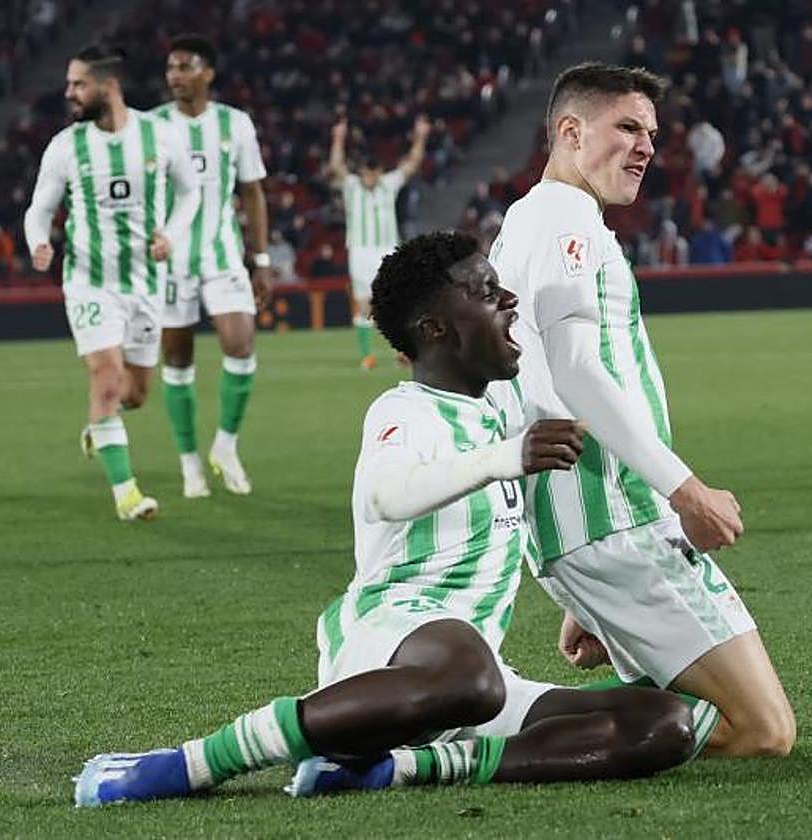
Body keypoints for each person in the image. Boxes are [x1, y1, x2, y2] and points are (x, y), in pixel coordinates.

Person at [73, 232, 715, 807]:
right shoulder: (405, 411)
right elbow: (387, 493)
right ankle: (188, 764)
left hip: (475, 680)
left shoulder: (502, 407)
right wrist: (503, 459)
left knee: (668, 721)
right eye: (485, 292)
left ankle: (396, 770)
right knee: (471, 678)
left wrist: (587, 601)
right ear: (436, 329)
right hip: (388, 644)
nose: (508, 300)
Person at [489, 62, 795, 758]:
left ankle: (498, 717)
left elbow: (537, 375)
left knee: (716, 717)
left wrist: (586, 588)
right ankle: (484, 731)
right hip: (615, 515)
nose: (646, 147)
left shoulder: (533, 218)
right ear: (571, 132)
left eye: (651, 133)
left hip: (594, 522)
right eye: (627, 127)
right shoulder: (562, 216)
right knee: (762, 731)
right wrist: (684, 491)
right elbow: (574, 369)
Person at [23, 44, 199, 521]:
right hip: (89, 282)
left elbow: (190, 193)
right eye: (69, 83)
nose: (70, 92)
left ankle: (99, 426)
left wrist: (172, 234)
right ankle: (127, 495)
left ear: (109, 85)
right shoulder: (66, 146)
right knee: (104, 378)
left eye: (79, 83)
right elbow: (39, 209)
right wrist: (38, 241)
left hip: (145, 284)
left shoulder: (160, 136)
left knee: (134, 393)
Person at [153, 33, 271, 498]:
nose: (175, 75)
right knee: (177, 358)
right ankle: (189, 464)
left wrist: (261, 259)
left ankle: (225, 446)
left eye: (185, 66)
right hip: (170, 259)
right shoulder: (153, 125)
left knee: (240, 345)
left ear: (208, 73)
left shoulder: (235, 124)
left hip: (222, 253)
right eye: (171, 67)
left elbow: (252, 191)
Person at [328, 112, 430, 369]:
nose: (370, 178)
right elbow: (336, 166)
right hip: (360, 250)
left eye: (373, 174)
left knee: (396, 301)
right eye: (366, 174)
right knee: (364, 304)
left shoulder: (388, 184)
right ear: (362, 173)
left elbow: (412, 163)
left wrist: (420, 136)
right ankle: (367, 355)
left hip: (386, 249)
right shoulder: (352, 186)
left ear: (379, 172)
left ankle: (402, 351)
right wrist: (338, 138)